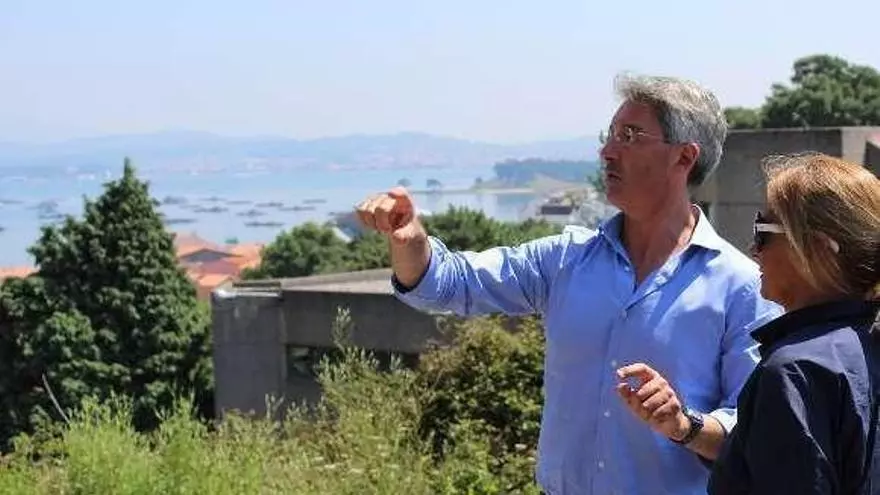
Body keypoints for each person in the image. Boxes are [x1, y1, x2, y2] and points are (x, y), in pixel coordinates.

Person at [355, 74, 781, 494]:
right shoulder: (566, 259)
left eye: (630, 136)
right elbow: (449, 284)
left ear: (684, 157)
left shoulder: (741, 286)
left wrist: (683, 424)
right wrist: (411, 241)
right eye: (610, 134)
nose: (607, 151)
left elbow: (753, 435)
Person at [696, 152, 878, 494]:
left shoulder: (795, 371)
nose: (753, 249)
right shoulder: (865, 345)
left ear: (818, 249)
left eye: (762, 231)